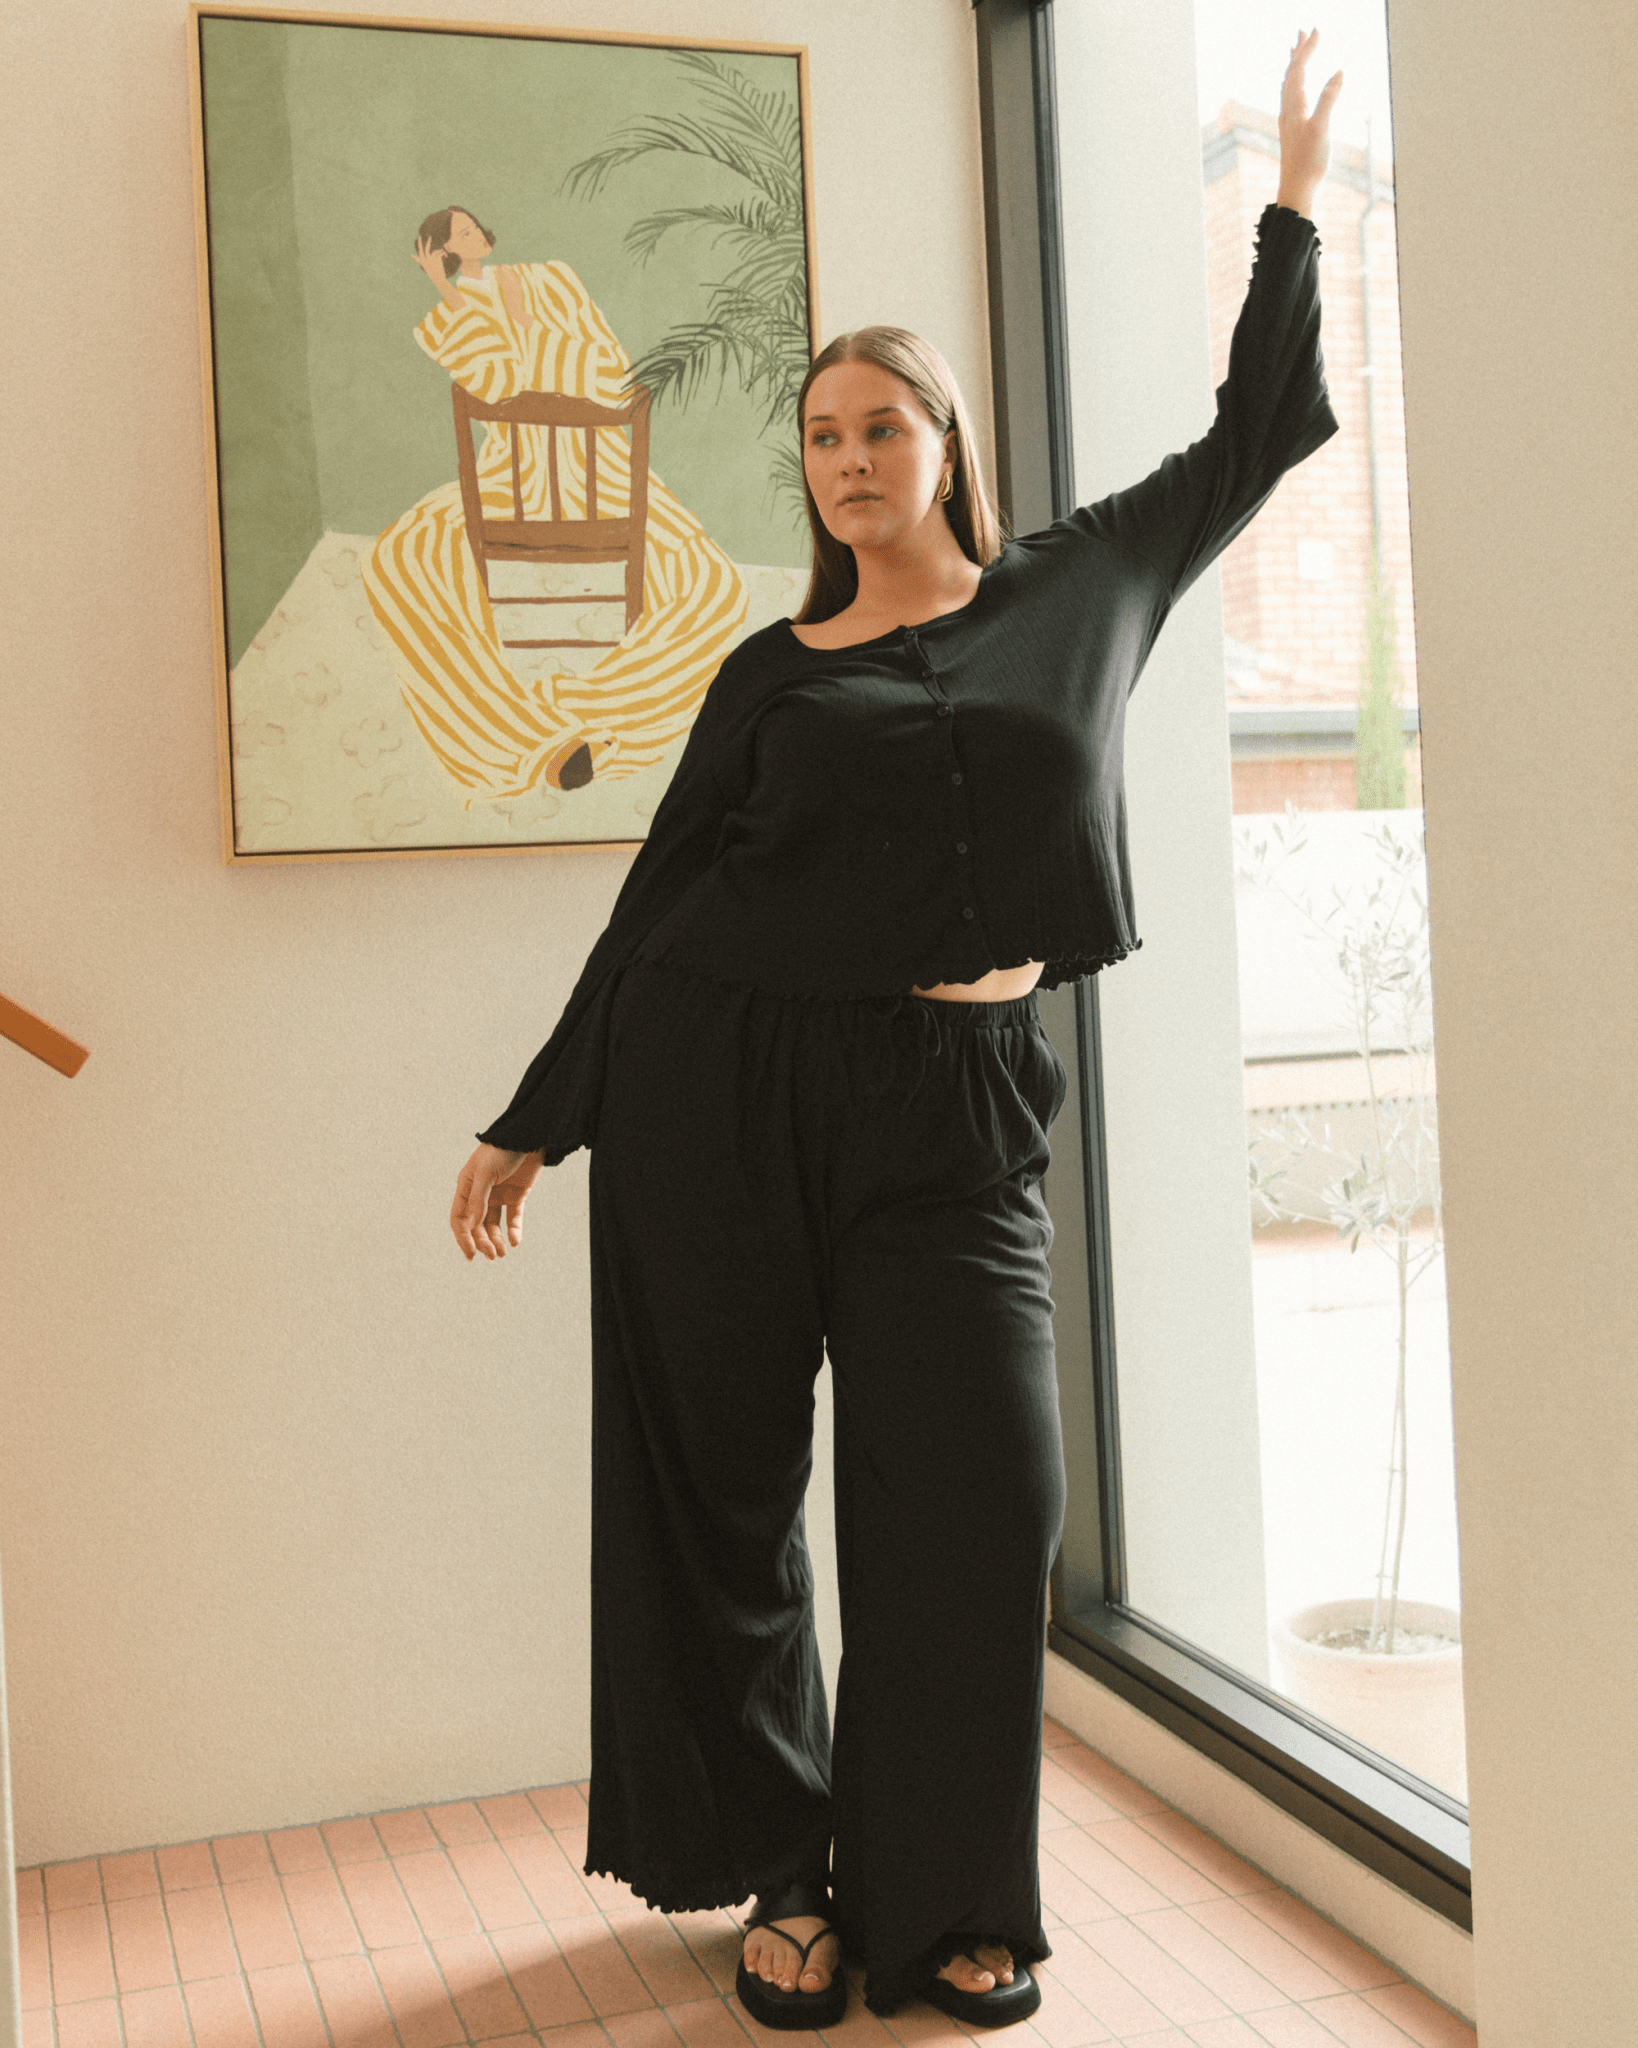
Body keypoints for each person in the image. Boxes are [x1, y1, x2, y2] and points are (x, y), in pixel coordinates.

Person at [448, 31, 1343, 2031]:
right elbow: (660, 905)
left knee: (971, 1503)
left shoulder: (1082, 583)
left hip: (953, 1117)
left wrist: (1288, 207)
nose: (846, 457)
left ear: (943, 437)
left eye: (878, 424)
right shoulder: (770, 674)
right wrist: (537, 1115)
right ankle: (792, 1873)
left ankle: (947, 1892)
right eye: (819, 437)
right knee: (730, 1494)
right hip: (729, 1098)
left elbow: (1258, 431)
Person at [362, 206, 747, 801]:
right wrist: (449, 291)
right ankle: (524, 738)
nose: (472, 235)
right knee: (400, 555)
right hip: (510, 474)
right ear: (442, 251)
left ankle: (576, 715)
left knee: (714, 587)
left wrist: (525, 331)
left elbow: (608, 371)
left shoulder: (551, 278)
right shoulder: (448, 317)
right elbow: (496, 384)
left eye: (473, 226)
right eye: (458, 235)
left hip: (603, 470)